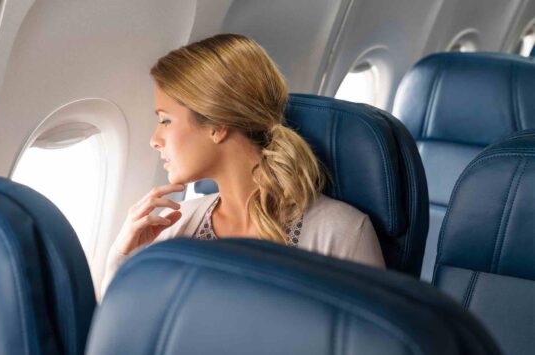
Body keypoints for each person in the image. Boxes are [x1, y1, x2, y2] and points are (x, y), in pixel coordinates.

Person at [102, 33, 384, 292]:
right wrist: (123, 257)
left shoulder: (341, 234)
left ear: (217, 126)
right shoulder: (174, 226)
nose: (154, 139)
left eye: (165, 121)